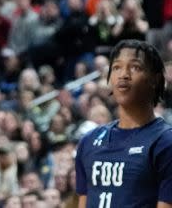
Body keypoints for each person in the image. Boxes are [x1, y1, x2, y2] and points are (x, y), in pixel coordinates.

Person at [74, 39, 172, 208]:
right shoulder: (88, 141)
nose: (124, 74)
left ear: (155, 80)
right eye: (117, 67)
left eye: (135, 67)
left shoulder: (165, 142)